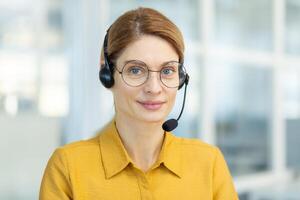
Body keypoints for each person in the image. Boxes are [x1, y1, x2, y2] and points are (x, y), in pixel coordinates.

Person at [39, 7, 238, 200]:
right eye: (135, 70)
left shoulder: (209, 163)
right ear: (107, 74)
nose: (154, 88)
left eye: (167, 71)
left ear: (181, 77)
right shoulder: (67, 167)